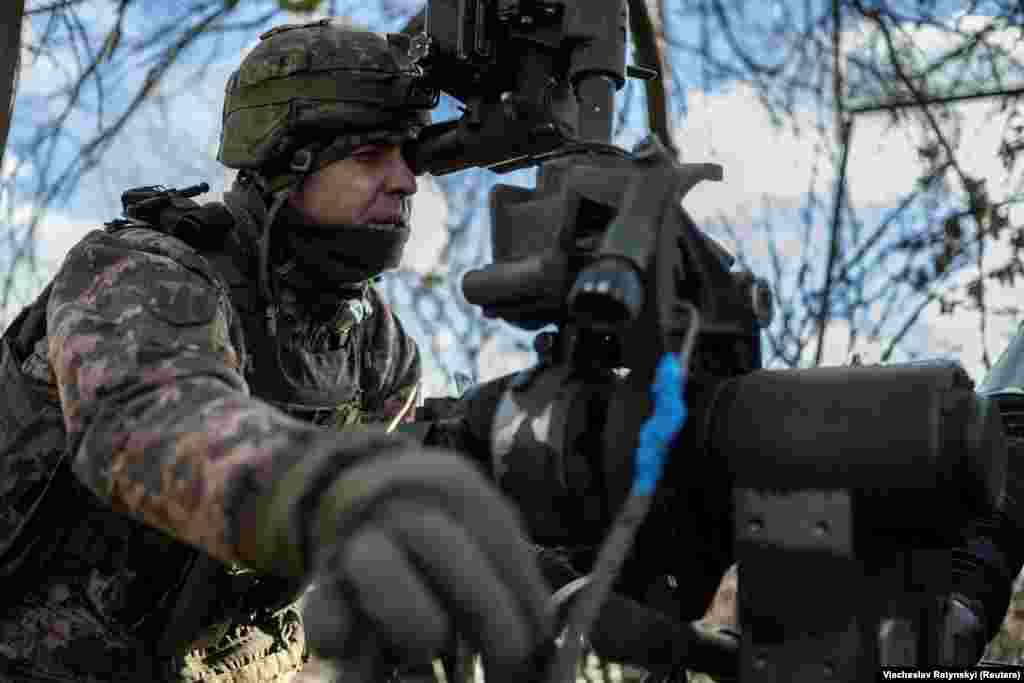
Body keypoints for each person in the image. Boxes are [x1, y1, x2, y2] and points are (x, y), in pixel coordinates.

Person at [0, 19, 551, 683]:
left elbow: (413, 472)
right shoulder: (142, 269)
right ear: (286, 160)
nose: (407, 181)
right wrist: (335, 492)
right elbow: (148, 421)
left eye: (411, 155)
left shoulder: (375, 347)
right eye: (372, 155)